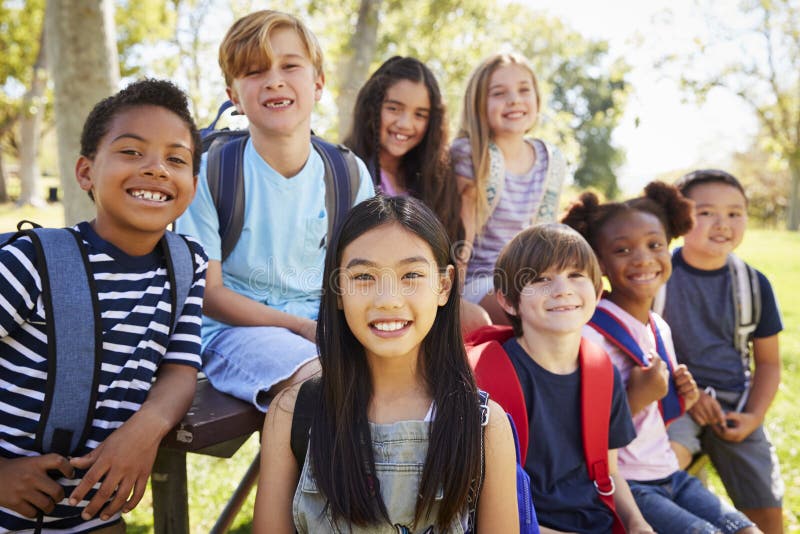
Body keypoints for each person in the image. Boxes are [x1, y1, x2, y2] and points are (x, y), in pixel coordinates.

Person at [0, 79, 206, 532]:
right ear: (85, 172)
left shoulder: (187, 265)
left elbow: (180, 367)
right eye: (131, 152)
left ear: (192, 183)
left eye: (176, 158)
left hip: (94, 518)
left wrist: (144, 430)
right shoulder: (31, 262)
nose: (156, 169)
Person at [253, 196, 519, 533]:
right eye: (364, 277)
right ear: (337, 289)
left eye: (411, 275)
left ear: (444, 285)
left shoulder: (484, 426)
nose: (389, 299)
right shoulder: (292, 415)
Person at [176, 10, 374, 410]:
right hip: (235, 332)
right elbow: (209, 295)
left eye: (289, 65)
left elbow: (367, 273)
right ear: (234, 95)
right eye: (254, 71)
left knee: (422, 379)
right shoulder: (212, 170)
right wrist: (301, 327)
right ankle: (304, 475)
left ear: (317, 84)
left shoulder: (348, 173)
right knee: (325, 386)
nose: (274, 80)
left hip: (326, 327)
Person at [563, 182, 760, 534]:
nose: (643, 259)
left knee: (747, 530)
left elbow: (654, 416)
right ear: (600, 263)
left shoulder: (658, 326)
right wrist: (638, 398)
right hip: (626, 484)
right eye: (622, 250)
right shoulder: (591, 334)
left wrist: (681, 397)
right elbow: (573, 432)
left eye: (655, 245)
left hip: (669, 471)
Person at [492, 223, 652, 534]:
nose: (562, 289)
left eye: (575, 275)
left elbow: (609, 472)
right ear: (508, 301)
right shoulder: (492, 378)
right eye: (540, 279)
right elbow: (489, 506)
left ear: (597, 291)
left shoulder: (600, 369)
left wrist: (637, 523)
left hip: (598, 522)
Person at [664, 170, 784, 533]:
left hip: (735, 404)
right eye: (706, 212)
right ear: (680, 218)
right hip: (670, 400)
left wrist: (753, 416)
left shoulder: (753, 283)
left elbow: (769, 363)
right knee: (662, 476)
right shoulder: (657, 274)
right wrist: (687, 394)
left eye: (735, 213)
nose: (723, 224)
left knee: (766, 512)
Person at [452, 52, 568, 329]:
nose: (514, 99)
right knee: (529, 312)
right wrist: (452, 302)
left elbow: (547, 234)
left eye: (523, 90)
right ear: (478, 104)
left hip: (530, 278)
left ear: (537, 99)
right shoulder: (471, 154)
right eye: (499, 93)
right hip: (479, 281)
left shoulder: (550, 160)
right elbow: (460, 237)